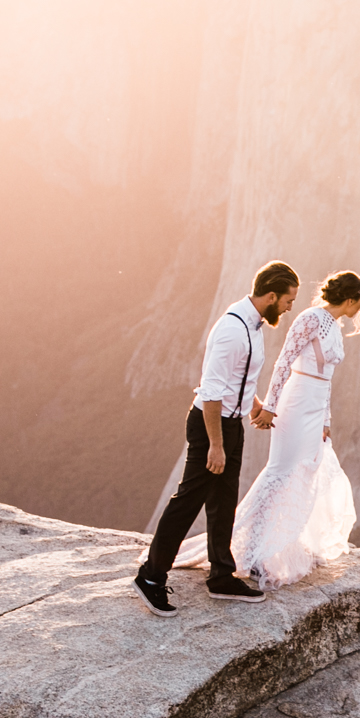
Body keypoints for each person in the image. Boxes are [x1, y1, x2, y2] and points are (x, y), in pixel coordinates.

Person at [133, 260, 299, 614]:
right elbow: (210, 392)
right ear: (271, 295)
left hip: (232, 422)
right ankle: (150, 576)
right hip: (211, 424)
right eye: (287, 300)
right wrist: (217, 446)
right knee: (188, 501)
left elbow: (240, 376)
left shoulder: (255, 325)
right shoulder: (232, 329)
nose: (289, 307)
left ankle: (221, 574)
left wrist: (253, 405)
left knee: (224, 502)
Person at [232, 270, 360, 589]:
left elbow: (327, 379)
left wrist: (326, 421)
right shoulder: (310, 318)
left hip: (315, 405)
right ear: (349, 300)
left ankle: (286, 544)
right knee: (281, 471)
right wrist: (270, 406)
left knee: (308, 473)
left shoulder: (334, 326)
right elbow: (284, 361)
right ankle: (253, 552)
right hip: (295, 402)